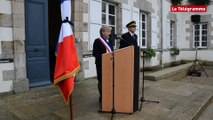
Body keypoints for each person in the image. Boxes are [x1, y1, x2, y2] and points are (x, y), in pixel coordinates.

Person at [93, 26, 113, 102]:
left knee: (109, 79)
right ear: (103, 32)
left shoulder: (109, 41)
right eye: (108, 31)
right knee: (101, 80)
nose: (109, 33)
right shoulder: (97, 41)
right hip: (101, 64)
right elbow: (95, 53)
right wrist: (104, 58)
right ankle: (102, 96)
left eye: (110, 31)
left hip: (109, 63)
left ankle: (108, 94)